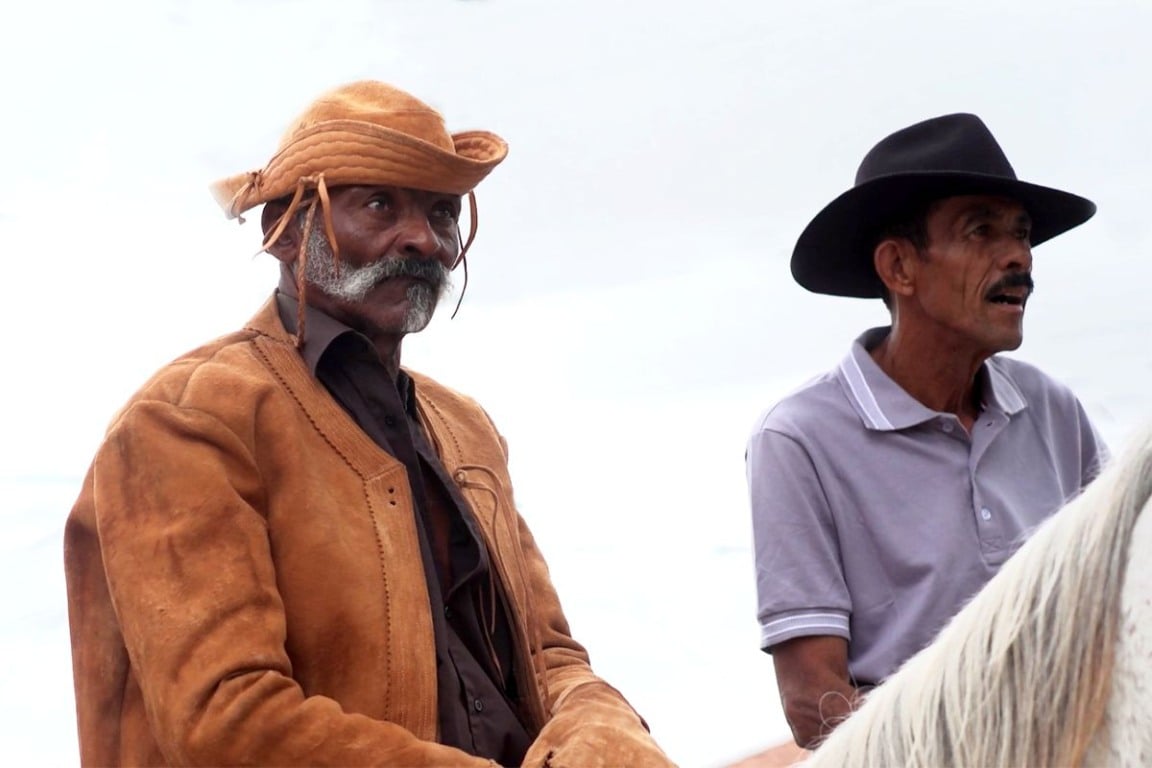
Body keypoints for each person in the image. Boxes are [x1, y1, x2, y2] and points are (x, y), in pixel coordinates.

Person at [64, 80, 674, 768]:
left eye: (442, 213)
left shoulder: (464, 426)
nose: (422, 239)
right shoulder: (190, 418)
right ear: (286, 231)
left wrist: (606, 728)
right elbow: (228, 722)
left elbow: (548, 656)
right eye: (379, 204)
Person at [745, 113, 1107, 748]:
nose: (1019, 257)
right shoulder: (799, 439)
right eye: (981, 231)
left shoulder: (1053, 410)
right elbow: (813, 701)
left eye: (1022, 234)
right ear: (899, 268)